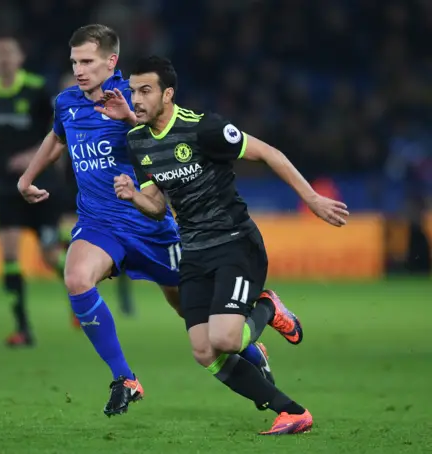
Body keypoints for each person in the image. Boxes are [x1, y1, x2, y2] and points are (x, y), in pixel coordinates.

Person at [18, 25, 274, 417]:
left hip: (149, 223)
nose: (79, 70)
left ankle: (252, 353)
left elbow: (166, 132)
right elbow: (57, 139)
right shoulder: (66, 103)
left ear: (111, 61)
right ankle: (125, 378)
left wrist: (129, 121)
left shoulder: (136, 97)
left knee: (191, 315)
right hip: (99, 223)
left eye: (87, 61)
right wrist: (27, 177)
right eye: (74, 62)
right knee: (75, 278)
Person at [108, 55, 349, 435]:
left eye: (145, 90)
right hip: (194, 251)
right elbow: (157, 207)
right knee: (204, 351)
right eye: (132, 90)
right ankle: (292, 411)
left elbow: (270, 154)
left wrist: (313, 199)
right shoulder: (138, 142)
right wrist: (133, 197)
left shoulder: (203, 129)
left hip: (235, 243)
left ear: (167, 94)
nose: (135, 98)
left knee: (225, 339)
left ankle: (267, 307)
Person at [0, 36, 67, 347]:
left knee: (51, 256)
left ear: (20, 57)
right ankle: (23, 328)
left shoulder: (37, 88)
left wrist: (33, 157)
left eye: (8, 53)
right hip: (6, 185)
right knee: (10, 256)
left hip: (41, 182)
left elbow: (57, 128)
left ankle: (79, 295)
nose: (3, 58)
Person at [56, 71, 136, 320]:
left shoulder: (104, 116)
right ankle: (80, 296)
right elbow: (57, 146)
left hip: (103, 188)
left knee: (119, 246)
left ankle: (118, 296)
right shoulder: (66, 118)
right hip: (72, 188)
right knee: (67, 245)